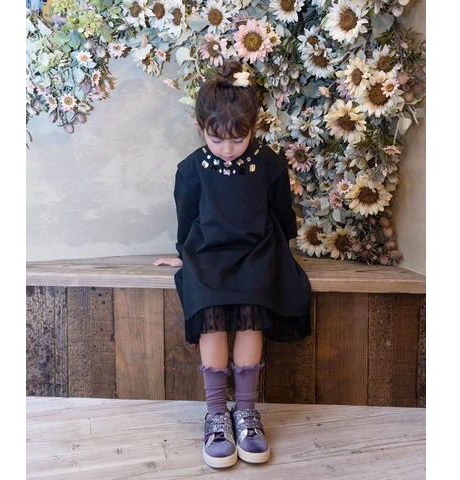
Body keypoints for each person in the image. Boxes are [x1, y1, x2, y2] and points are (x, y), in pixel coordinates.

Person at [154, 61, 311, 468]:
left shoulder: (270, 163)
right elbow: (187, 218)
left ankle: (246, 412)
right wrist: (184, 254)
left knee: (250, 311)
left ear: (254, 128)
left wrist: (281, 253)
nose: (227, 149)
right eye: (217, 139)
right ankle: (216, 415)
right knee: (209, 310)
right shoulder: (191, 170)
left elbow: (282, 213)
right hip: (208, 253)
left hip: (257, 250)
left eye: (239, 140)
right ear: (200, 127)